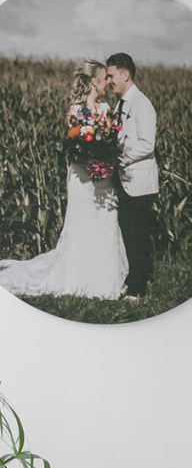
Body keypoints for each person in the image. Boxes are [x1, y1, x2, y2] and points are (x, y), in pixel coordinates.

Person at [0, 59, 128, 300]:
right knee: (82, 223)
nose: (108, 84)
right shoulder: (76, 110)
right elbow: (75, 144)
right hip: (81, 176)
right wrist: (90, 150)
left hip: (103, 176)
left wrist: (105, 150)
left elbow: (112, 137)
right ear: (94, 81)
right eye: (104, 79)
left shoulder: (106, 109)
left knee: (105, 222)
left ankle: (104, 279)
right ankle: (78, 277)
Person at [106, 53, 159, 300]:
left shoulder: (142, 104)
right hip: (125, 181)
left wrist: (121, 158)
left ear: (125, 74)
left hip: (138, 183)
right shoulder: (121, 104)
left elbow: (148, 144)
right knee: (128, 233)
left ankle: (138, 289)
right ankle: (133, 278)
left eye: (111, 75)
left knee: (137, 236)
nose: (108, 81)